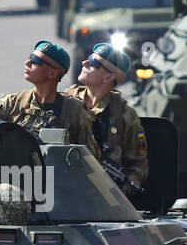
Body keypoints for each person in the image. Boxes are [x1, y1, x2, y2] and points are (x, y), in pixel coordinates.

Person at [0, 40, 101, 155]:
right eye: (30, 57)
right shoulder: (11, 103)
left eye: (35, 60)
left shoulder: (75, 112)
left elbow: (90, 160)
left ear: (52, 73)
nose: (28, 62)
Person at [64, 43, 149, 193]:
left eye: (93, 63)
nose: (84, 63)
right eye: (88, 58)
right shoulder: (65, 101)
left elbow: (138, 164)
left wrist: (122, 190)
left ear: (109, 76)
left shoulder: (124, 114)